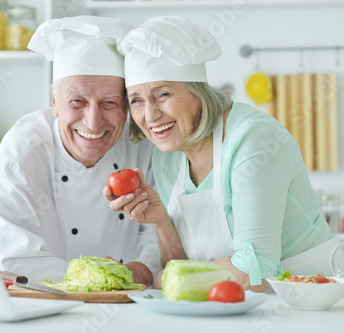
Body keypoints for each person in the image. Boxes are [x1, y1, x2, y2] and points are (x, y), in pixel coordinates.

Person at [104, 16, 340, 291]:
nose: (150, 115)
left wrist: (161, 280)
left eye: (163, 94)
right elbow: (182, 269)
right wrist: (160, 221)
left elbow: (257, 272)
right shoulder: (167, 155)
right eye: (136, 100)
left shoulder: (253, 140)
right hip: (229, 304)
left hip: (307, 299)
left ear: (197, 92)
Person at [0, 16, 162, 285]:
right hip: (44, 306)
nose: (93, 121)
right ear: (54, 102)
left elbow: (157, 230)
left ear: (126, 107)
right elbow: (12, 257)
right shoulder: (23, 151)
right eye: (77, 101)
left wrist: (141, 268)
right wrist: (103, 279)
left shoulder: (142, 144)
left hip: (129, 300)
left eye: (110, 102)